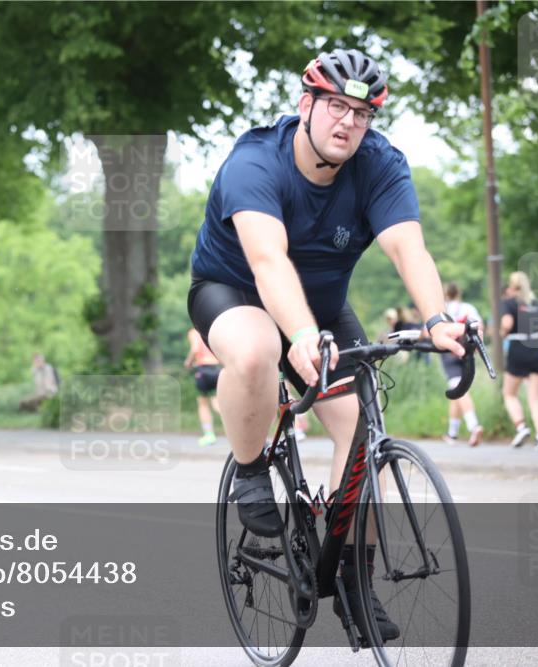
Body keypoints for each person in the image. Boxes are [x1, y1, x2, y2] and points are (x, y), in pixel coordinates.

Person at [187, 48, 470, 642]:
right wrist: (301, 334)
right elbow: (267, 262)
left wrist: (437, 318)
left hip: (322, 305)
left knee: (361, 428)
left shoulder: (380, 164)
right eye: (336, 106)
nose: (348, 122)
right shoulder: (255, 162)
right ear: (306, 104)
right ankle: (249, 469)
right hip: (235, 290)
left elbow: (407, 248)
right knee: (257, 348)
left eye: (362, 114)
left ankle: (352, 579)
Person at [500, 271, 538, 450]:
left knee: (509, 394)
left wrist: (502, 333)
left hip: (518, 349)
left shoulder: (509, 303)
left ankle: (521, 427)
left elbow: (506, 324)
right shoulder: (536, 303)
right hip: (537, 349)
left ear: (512, 286)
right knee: (535, 397)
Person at [440, 283, 483, 446]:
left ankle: (474, 426)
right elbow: (479, 327)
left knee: (459, 389)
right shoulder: (468, 307)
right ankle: (453, 433)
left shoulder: (441, 310)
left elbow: (427, 330)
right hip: (467, 350)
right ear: (459, 293)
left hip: (449, 351)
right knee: (456, 390)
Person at [184, 327, 222, 446]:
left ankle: (209, 435)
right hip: (217, 368)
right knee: (218, 402)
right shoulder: (213, 330)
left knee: (203, 404)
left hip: (204, 369)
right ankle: (236, 430)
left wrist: (188, 362)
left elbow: (195, 349)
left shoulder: (194, 332)